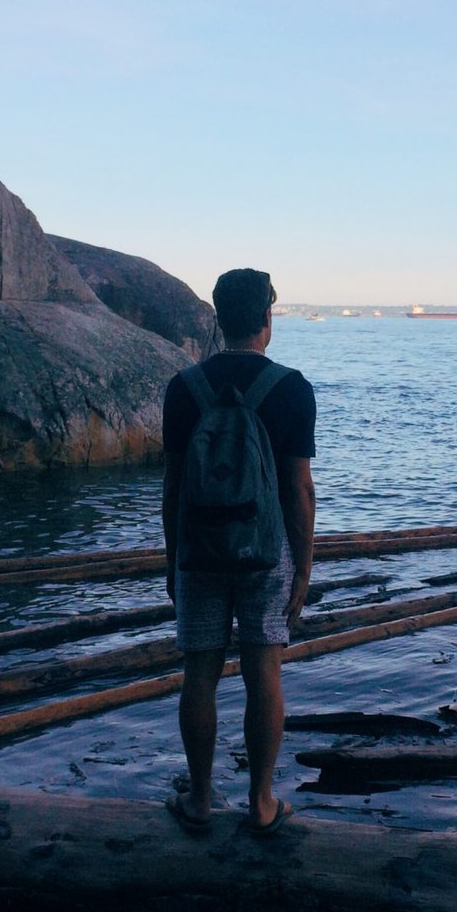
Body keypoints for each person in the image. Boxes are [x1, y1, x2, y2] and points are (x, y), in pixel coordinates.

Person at [161, 268, 316, 835]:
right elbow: (298, 488)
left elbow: (173, 486)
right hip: (264, 551)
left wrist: (171, 557)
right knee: (263, 671)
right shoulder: (291, 388)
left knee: (199, 673)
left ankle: (200, 800)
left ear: (219, 318)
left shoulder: (184, 388)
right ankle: (261, 802)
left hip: (198, 551)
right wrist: (303, 564)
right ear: (267, 320)